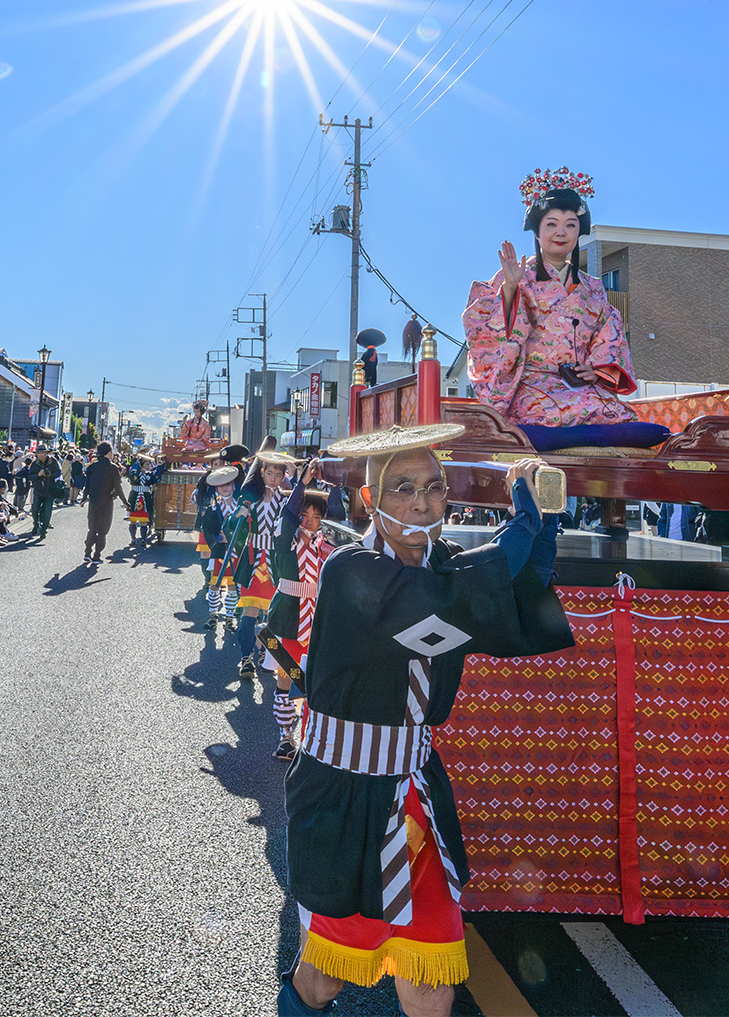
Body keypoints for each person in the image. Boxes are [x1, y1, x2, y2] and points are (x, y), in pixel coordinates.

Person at [279, 424, 568, 1017]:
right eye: (402, 488)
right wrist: (520, 521)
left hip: (414, 791)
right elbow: (449, 602)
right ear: (369, 500)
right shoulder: (351, 571)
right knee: (323, 980)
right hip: (344, 797)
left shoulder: (444, 565)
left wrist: (544, 526)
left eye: (434, 487)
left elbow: (503, 598)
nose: (421, 502)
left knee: (432, 979)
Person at [462, 169, 652, 436]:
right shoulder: (516, 276)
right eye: (551, 224)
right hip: (532, 384)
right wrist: (511, 288)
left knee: (616, 415)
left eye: (570, 224)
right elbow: (483, 330)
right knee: (552, 413)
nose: (561, 232)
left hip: (581, 386)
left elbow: (609, 338)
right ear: (537, 232)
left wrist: (596, 371)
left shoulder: (593, 288)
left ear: (579, 232)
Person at [258, 457, 331, 760]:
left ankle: (311, 739)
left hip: (316, 617)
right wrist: (302, 482)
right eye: (305, 513)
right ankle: (285, 738)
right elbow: (288, 517)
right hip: (286, 615)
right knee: (285, 678)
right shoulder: (285, 538)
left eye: (316, 515)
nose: (310, 519)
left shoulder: (324, 544)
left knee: (314, 680)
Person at [236, 451, 292, 681]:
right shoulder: (251, 497)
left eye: (278, 475)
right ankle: (246, 658)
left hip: (275, 563)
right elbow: (234, 526)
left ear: (282, 477)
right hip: (253, 559)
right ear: (262, 473)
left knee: (273, 615)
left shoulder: (285, 499)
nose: (273, 479)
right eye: (269, 473)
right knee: (249, 613)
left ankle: (265, 653)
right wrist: (238, 516)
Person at [197, 465, 248, 630]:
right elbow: (207, 529)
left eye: (230, 484)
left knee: (233, 585)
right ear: (216, 487)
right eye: (223, 485)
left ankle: (229, 617)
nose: (228, 488)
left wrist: (235, 538)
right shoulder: (213, 507)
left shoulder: (239, 506)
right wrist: (220, 539)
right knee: (215, 583)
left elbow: (246, 528)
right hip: (219, 552)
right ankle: (213, 614)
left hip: (235, 552)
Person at [82, 442, 129, 565]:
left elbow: (87, 485)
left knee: (92, 528)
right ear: (108, 453)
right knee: (103, 530)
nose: (112, 454)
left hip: (94, 500)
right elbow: (118, 488)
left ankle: (87, 552)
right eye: (112, 452)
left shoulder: (91, 467)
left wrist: (83, 498)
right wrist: (126, 502)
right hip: (107, 502)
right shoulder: (113, 468)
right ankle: (97, 556)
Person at [125, 453, 164, 547]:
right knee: (133, 520)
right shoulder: (134, 472)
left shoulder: (149, 475)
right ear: (141, 464)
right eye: (146, 464)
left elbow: (156, 477)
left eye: (149, 464)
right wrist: (138, 468)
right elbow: (130, 476)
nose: (148, 466)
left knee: (144, 520)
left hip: (145, 498)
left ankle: (143, 539)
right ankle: (133, 539)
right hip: (135, 497)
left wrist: (160, 467)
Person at [27, 445, 64, 539]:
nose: (40, 455)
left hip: (50, 490)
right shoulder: (35, 464)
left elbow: (59, 472)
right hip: (38, 490)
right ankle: (36, 524)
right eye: (38, 453)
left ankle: (44, 530)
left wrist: (49, 475)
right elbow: (30, 476)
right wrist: (38, 475)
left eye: (42, 453)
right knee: (35, 509)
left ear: (46, 453)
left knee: (48, 510)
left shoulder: (53, 461)